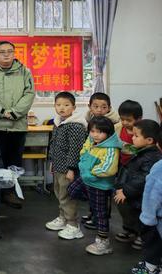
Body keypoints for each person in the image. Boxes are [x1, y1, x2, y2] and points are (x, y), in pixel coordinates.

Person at [0, 40, 35, 209]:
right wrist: (1, 111)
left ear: (14, 53)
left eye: (9, 51)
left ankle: (10, 192)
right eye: (2, 52)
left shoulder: (24, 72)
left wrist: (14, 112)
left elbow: (29, 94)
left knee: (14, 160)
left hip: (17, 126)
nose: (6, 54)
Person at [68, 116, 122, 255]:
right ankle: (95, 204)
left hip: (99, 184)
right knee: (72, 190)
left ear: (108, 132)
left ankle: (103, 242)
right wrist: (83, 167)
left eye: (100, 132)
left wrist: (90, 173)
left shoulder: (111, 148)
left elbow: (108, 169)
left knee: (100, 213)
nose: (95, 134)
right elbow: (84, 152)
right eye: (92, 131)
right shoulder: (92, 141)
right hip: (87, 178)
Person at [44, 91, 88, 240]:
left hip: (68, 169)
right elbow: (53, 144)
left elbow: (76, 149)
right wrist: (52, 161)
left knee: (67, 196)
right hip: (58, 166)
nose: (62, 108)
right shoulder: (58, 122)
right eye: (58, 105)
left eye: (66, 105)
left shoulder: (75, 126)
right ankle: (63, 218)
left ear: (74, 107)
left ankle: (73, 225)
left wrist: (72, 169)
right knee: (59, 194)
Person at [114, 120, 162, 250]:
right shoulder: (140, 151)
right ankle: (131, 231)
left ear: (149, 140)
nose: (132, 138)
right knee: (127, 211)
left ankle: (142, 234)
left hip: (139, 195)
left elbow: (143, 178)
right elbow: (128, 169)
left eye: (136, 136)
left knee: (137, 213)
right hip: (129, 191)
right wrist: (120, 186)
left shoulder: (152, 157)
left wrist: (126, 191)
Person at [81, 92, 122, 229]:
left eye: (104, 107)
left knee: (103, 198)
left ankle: (100, 219)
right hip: (93, 162)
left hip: (105, 164)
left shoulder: (114, 123)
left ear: (109, 108)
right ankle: (93, 214)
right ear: (90, 107)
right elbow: (88, 143)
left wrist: (93, 171)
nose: (99, 110)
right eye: (96, 106)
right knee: (93, 195)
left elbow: (114, 145)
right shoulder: (91, 119)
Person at [132, 129, 162, 274]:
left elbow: (152, 195)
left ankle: (150, 268)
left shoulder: (159, 167)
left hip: (157, 218)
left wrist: (147, 218)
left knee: (153, 244)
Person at [117, 100, 144, 167]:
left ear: (139, 119)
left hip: (137, 165)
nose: (125, 122)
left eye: (129, 120)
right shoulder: (117, 128)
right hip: (121, 164)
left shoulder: (143, 132)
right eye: (122, 119)